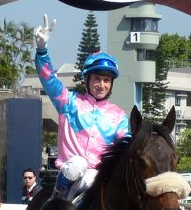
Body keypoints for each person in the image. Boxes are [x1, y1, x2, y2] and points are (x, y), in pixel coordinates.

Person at [35, 15, 129, 198]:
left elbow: (126, 146)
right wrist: (41, 50)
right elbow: (48, 79)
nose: (101, 85)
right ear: (87, 80)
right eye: (97, 79)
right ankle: (57, 202)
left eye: (107, 80)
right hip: (70, 175)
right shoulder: (68, 102)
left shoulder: (119, 116)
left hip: (98, 179)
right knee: (78, 164)